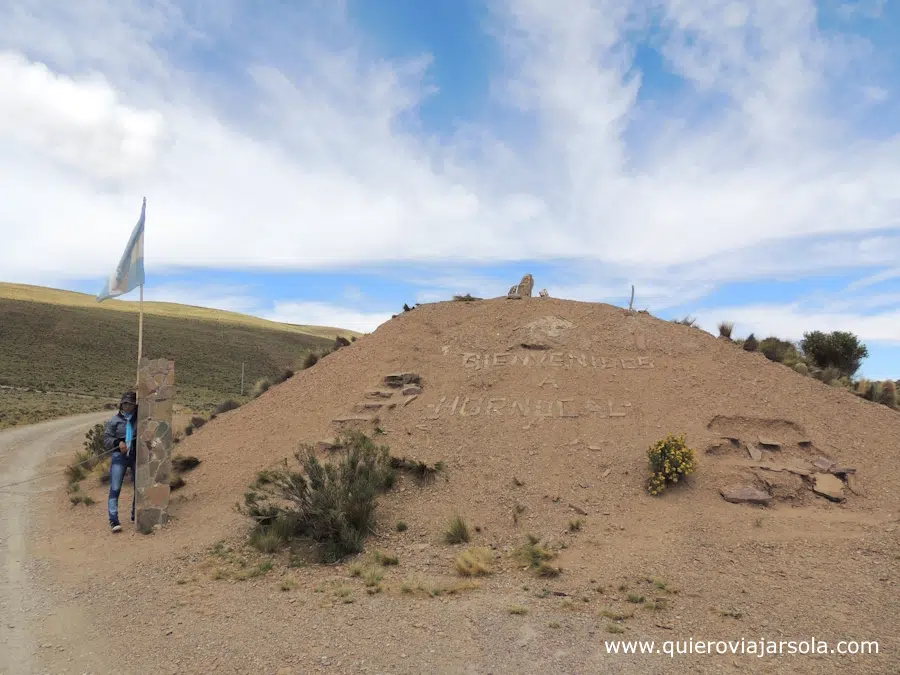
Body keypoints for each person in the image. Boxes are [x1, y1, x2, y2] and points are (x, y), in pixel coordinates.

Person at [103, 390, 138, 532]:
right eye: (124, 403)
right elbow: (106, 439)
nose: (126, 406)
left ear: (135, 405)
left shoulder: (140, 419)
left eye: (129, 403)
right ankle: (113, 520)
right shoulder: (114, 421)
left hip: (136, 455)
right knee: (115, 487)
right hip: (119, 456)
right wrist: (118, 442)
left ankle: (136, 514)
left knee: (139, 486)